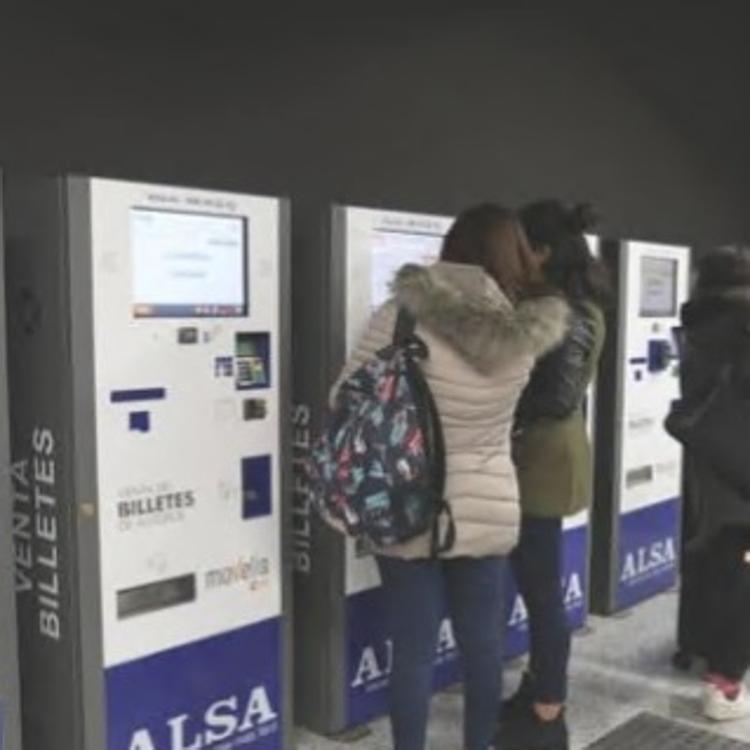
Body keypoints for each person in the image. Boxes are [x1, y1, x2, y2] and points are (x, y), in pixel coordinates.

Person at [336, 204, 569, 750]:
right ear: (512, 255)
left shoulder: (401, 315)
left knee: (412, 651)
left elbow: (344, 397)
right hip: (484, 502)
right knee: (482, 644)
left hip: (403, 497)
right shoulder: (525, 334)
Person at [496, 201, 608, 750]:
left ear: (540, 251)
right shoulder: (566, 304)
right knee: (533, 580)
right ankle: (538, 688)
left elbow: (555, 395)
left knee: (540, 590)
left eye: (521, 247)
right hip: (538, 456)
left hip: (540, 461)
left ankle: (547, 710)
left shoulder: (565, 312)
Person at [669, 246, 750, 722]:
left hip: (712, 465)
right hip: (745, 467)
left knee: (714, 557)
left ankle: (699, 647)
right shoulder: (743, 324)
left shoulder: (699, 321)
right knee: (744, 570)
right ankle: (724, 684)